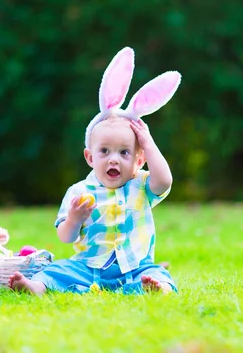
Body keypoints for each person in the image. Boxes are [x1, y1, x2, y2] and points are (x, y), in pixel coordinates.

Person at [9, 47, 181, 295]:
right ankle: (36, 286)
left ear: (139, 159)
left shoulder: (142, 185)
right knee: (56, 270)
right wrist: (74, 219)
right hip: (88, 267)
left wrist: (149, 143)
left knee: (157, 274)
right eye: (104, 152)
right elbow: (65, 237)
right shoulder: (79, 191)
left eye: (124, 153)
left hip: (134, 267)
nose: (114, 160)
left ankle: (157, 289)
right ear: (89, 157)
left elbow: (164, 182)